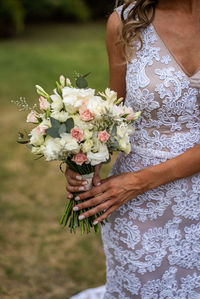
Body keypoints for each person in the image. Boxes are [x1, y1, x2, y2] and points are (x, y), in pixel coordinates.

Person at [68, 0, 200, 297]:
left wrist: (138, 182)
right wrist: (84, 158)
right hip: (136, 209)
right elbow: (115, 112)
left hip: (142, 186)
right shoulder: (125, 22)